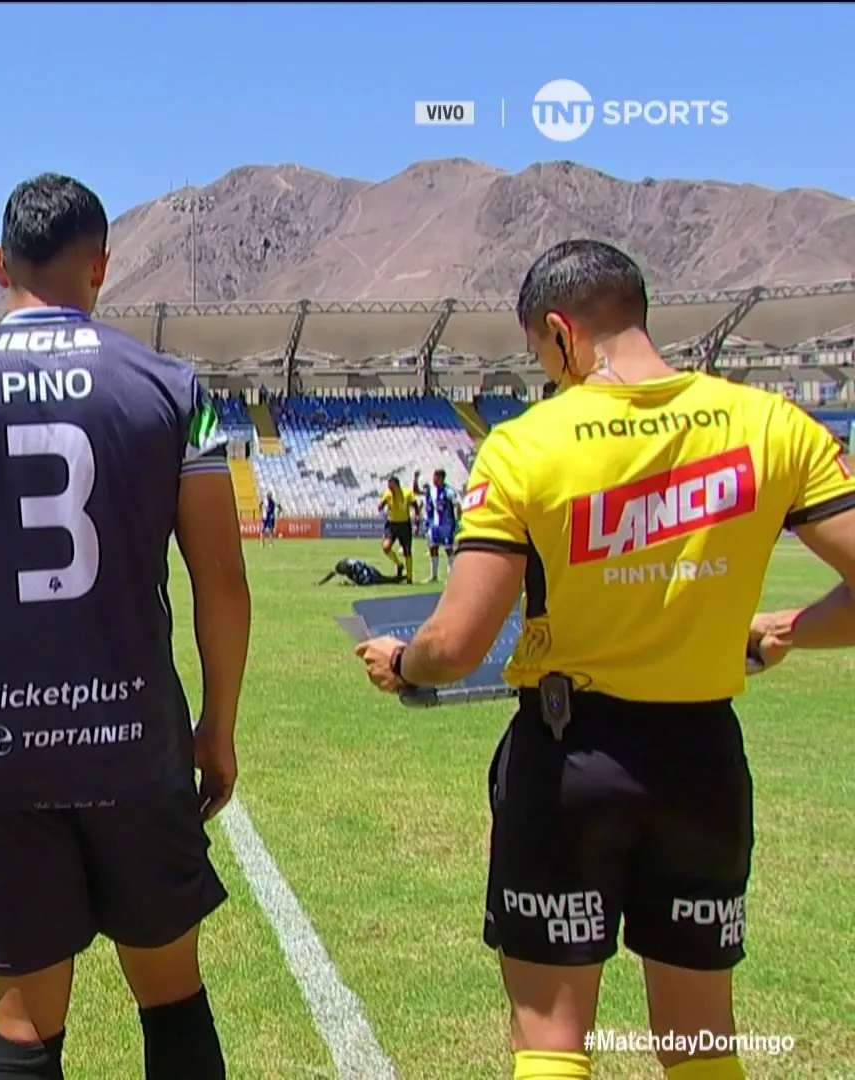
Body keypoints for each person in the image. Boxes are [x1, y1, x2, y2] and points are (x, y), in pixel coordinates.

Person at [352, 239, 855, 1080]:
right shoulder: (771, 424)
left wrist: (403, 663)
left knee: (552, 1044)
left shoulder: (527, 444)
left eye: (539, 356)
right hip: (703, 761)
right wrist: (790, 627)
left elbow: (459, 643)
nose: (544, 374)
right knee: (701, 1047)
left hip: (569, 761)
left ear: (561, 333)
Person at [0, 173, 251, 1080]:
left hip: (5, 749)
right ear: (102, 267)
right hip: (136, 743)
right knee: (172, 997)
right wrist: (218, 728)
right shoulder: (172, 388)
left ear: (0, 262)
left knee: (26, 1026)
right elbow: (224, 581)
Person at [413, 468, 461, 582]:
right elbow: (416, 492)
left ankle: (451, 576)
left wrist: (458, 520)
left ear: (441, 478)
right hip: (433, 524)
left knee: (448, 549)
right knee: (433, 547)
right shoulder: (431, 490)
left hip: (446, 524)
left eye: (436, 477)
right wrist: (415, 479)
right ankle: (434, 576)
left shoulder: (448, 491)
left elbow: (457, 504)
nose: (433, 479)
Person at [375, 475, 418, 583]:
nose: (389, 489)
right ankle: (399, 564)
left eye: (391, 486)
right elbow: (381, 506)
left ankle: (409, 578)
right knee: (386, 547)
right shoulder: (387, 493)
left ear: (396, 485)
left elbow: (415, 507)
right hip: (391, 524)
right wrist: (381, 505)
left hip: (404, 524)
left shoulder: (407, 493)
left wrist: (417, 521)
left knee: (407, 551)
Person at [316, 557, 402, 587]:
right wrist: (321, 583)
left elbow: (362, 583)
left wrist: (349, 584)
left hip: (369, 575)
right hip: (370, 569)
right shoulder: (344, 564)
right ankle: (399, 577)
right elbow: (332, 573)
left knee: (384, 581)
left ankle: (399, 577)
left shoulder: (354, 570)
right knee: (385, 579)